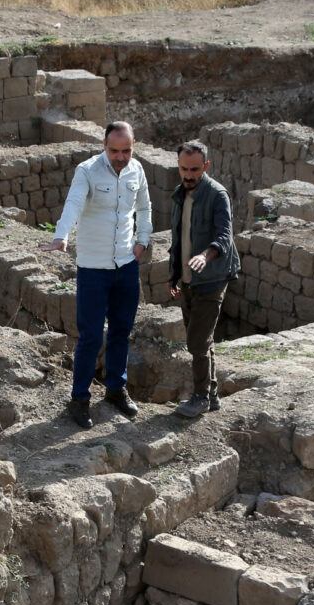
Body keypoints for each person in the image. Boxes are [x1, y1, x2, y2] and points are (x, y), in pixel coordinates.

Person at [45, 121, 153, 429]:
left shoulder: (137, 170)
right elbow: (74, 204)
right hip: (93, 268)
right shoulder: (88, 170)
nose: (121, 157)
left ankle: (116, 389)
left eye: (127, 150)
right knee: (91, 336)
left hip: (126, 265)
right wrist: (61, 235)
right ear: (104, 146)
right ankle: (79, 399)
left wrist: (142, 239)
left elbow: (144, 208)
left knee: (121, 331)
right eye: (114, 150)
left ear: (134, 146)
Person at [168, 140, 239, 418]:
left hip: (211, 277)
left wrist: (205, 257)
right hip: (188, 280)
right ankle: (212, 394)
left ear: (205, 166)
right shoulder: (179, 193)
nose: (188, 175)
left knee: (197, 341)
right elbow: (178, 238)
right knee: (202, 339)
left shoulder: (217, 195)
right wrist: (174, 275)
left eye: (195, 169)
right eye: (184, 169)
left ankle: (200, 398)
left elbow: (224, 236)